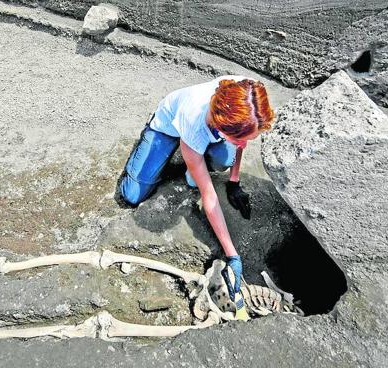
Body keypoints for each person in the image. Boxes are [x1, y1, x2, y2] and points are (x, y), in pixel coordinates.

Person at [118, 75, 275, 306]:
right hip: (168, 127)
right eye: (237, 138)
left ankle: (198, 160)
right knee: (132, 195)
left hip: (211, 131)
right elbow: (209, 196)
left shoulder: (247, 94)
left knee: (224, 159)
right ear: (222, 125)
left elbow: (244, 138)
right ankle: (161, 151)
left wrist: (234, 180)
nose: (243, 144)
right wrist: (232, 254)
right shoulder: (194, 123)